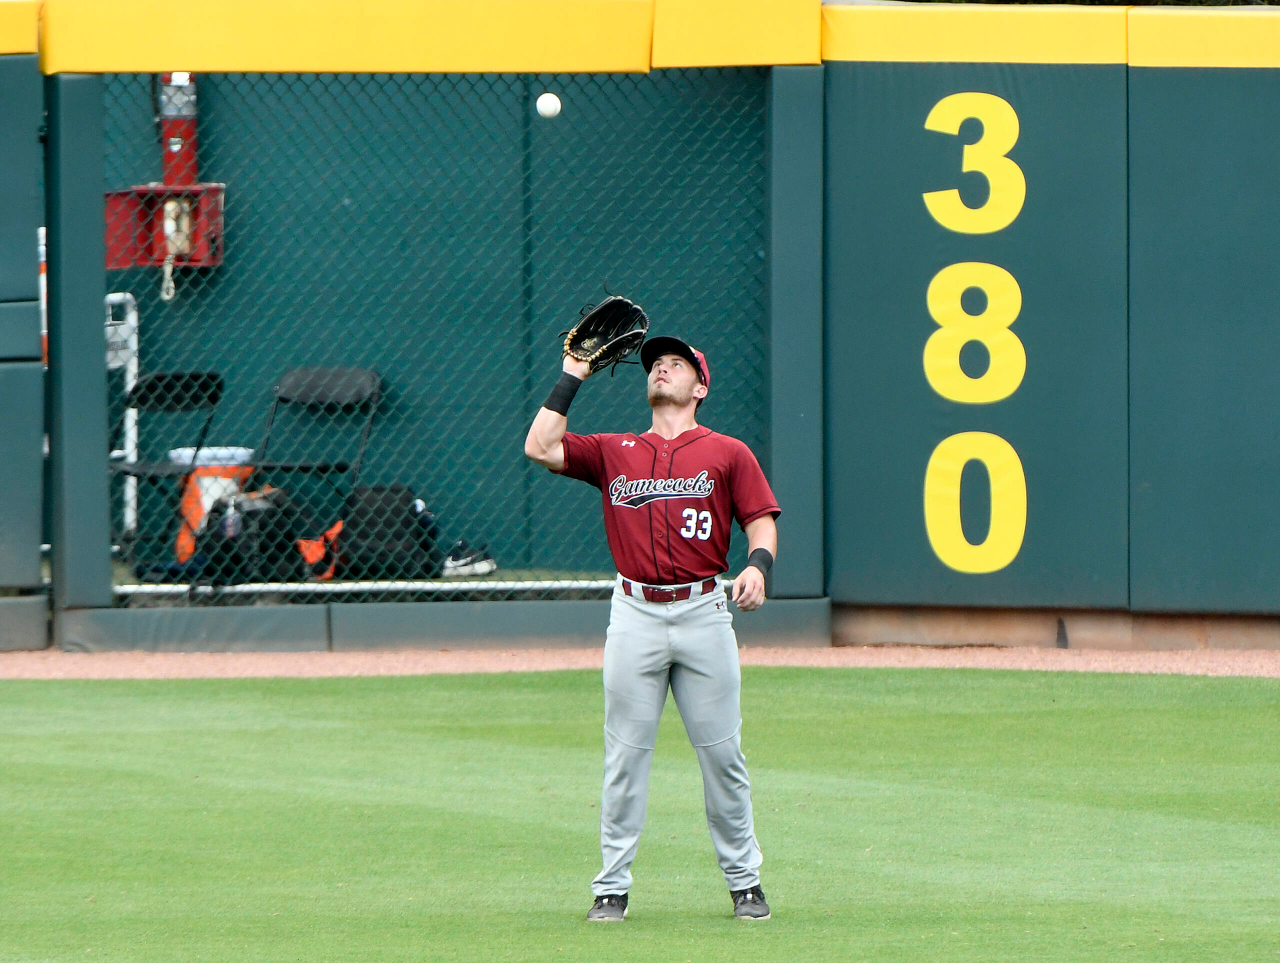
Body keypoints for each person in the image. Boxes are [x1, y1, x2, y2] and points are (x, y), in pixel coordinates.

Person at [523, 334, 780, 922]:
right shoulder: (614, 449)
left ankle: (745, 882)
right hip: (634, 613)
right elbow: (539, 446)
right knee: (625, 758)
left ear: (700, 386)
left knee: (723, 758)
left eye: (677, 364)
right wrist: (572, 375)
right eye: (656, 364)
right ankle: (611, 887)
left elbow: (760, 520)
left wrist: (758, 566)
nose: (662, 369)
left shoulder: (728, 452)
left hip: (704, 611)